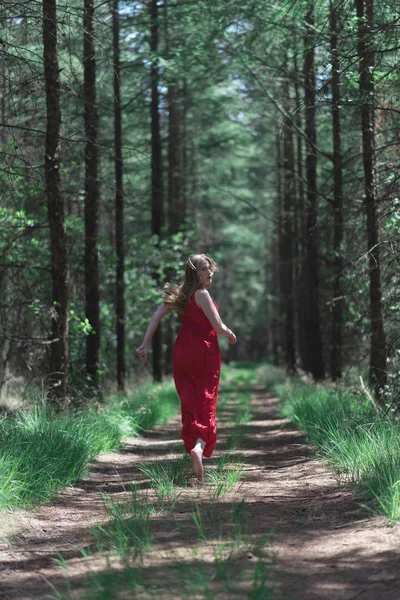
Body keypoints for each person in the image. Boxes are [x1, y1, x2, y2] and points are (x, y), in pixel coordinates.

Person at [136, 253, 237, 480]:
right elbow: (218, 327)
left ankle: (195, 448)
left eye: (209, 268)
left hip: (182, 352)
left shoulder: (180, 295)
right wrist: (230, 334)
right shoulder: (202, 294)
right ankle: (198, 447)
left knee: (190, 401)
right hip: (204, 352)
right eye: (204, 269)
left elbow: (155, 317)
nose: (209, 273)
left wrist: (144, 344)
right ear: (194, 272)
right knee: (206, 401)